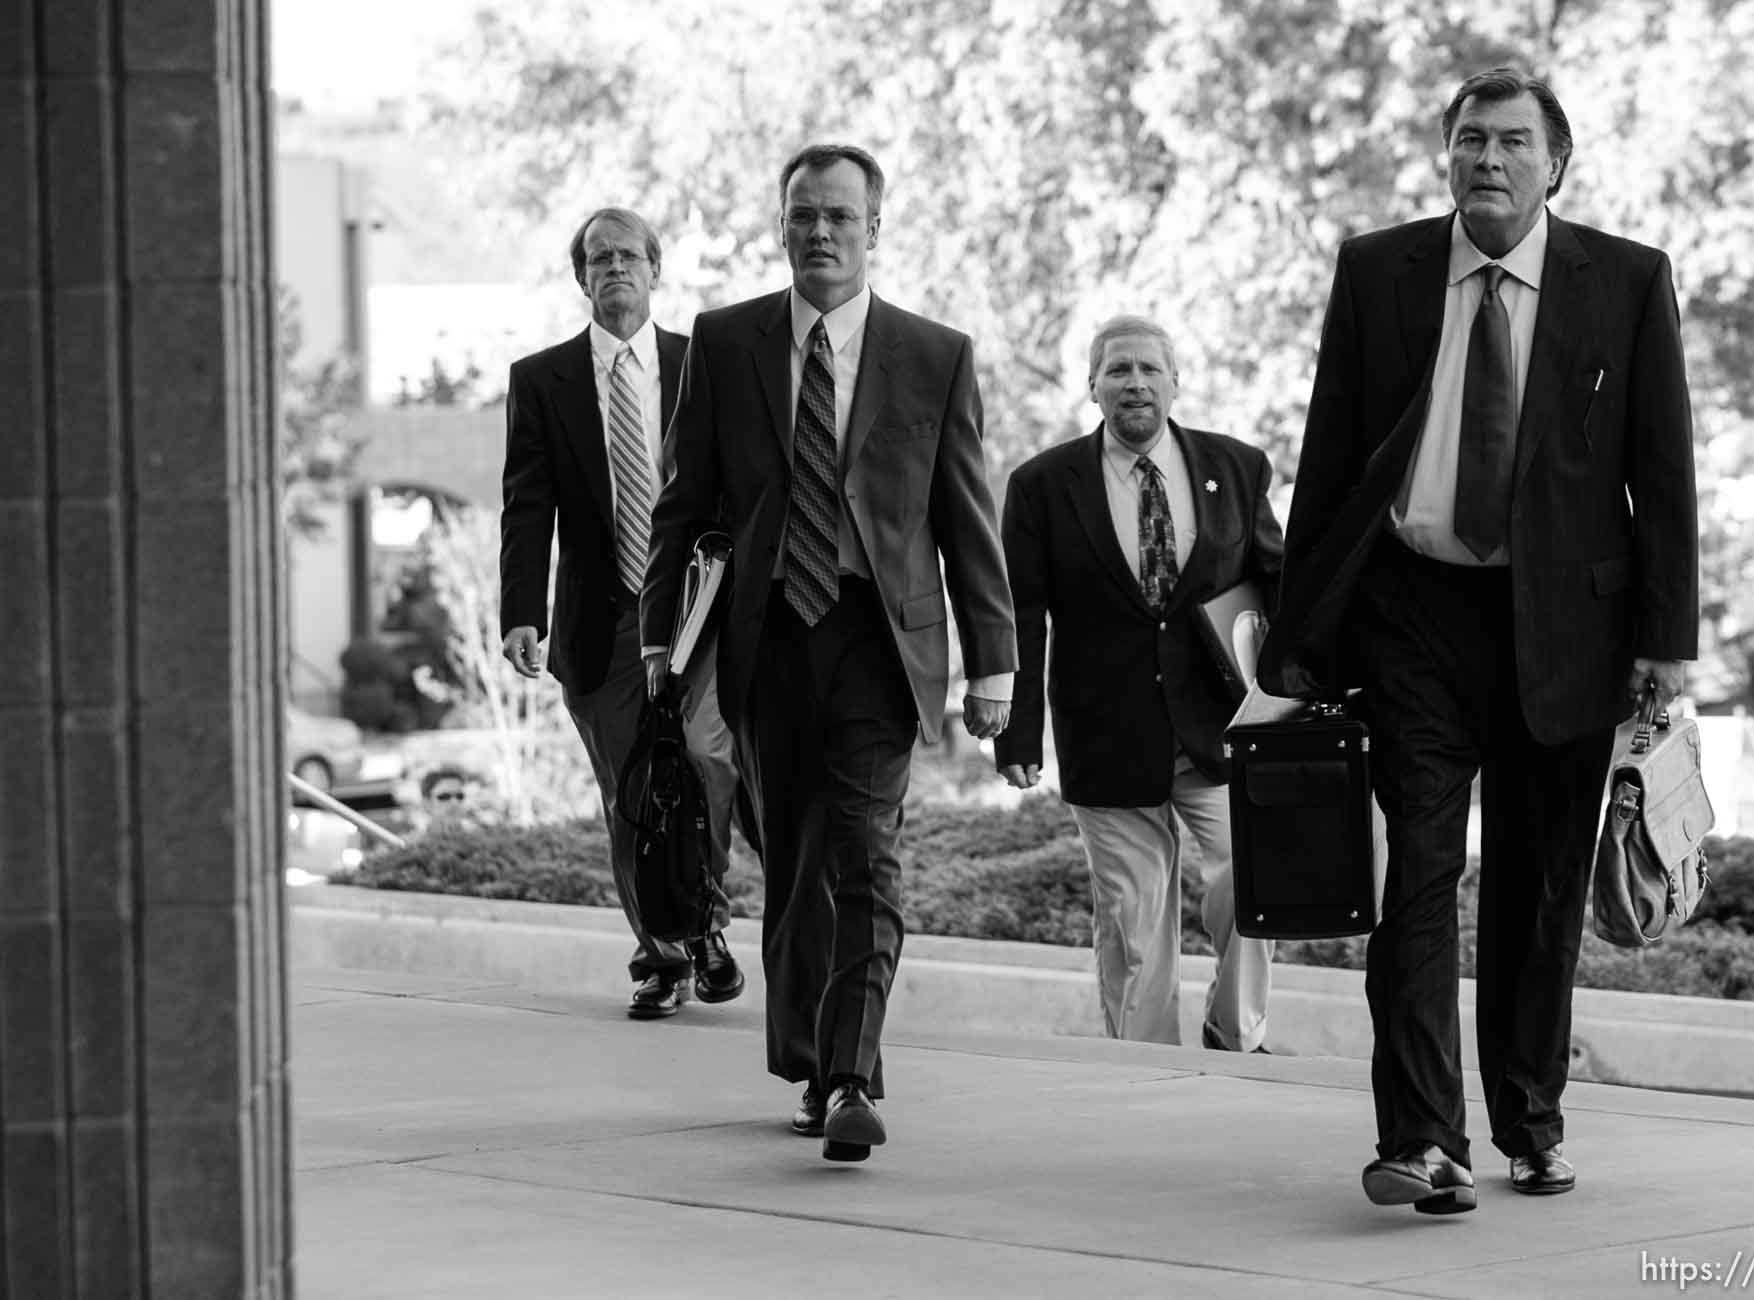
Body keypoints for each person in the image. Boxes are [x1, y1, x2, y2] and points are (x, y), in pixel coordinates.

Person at [1255, 68, 1698, 1214]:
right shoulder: (1380, 271)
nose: (1486, 160)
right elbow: (1332, 453)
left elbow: (1665, 471)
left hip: (1571, 626)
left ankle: (1530, 1121)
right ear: (1444, 157)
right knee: (1418, 879)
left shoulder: (1629, 282)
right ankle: (1420, 1138)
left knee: (1541, 891)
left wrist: (1668, 640)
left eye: (1511, 142)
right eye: (1467, 141)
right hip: (1417, 617)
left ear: (1555, 162)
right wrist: (1303, 634)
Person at [641, 144, 1017, 1162]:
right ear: (781, 225)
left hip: (878, 640)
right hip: (765, 641)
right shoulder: (725, 343)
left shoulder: (934, 354)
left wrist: (996, 662)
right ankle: (808, 1056)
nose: (820, 232)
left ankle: (851, 1072)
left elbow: (966, 515)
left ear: (873, 229)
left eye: (840, 217)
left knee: (864, 854)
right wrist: (656, 643)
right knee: (797, 859)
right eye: (803, 214)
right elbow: (684, 502)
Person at [994, 316, 1281, 1052]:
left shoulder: (1238, 466)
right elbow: (1022, 615)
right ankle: (1145, 1065)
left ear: (1175, 382)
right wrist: (1018, 733)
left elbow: (1276, 585)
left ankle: (1234, 1035)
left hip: (1220, 728)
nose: (1135, 383)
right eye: (1118, 370)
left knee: (1255, 882)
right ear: (1092, 387)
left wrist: (1297, 699)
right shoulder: (1041, 486)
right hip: (1107, 732)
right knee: (1135, 916)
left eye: (1151, 369)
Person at [500, 206, 750, 1023]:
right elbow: (526, 506)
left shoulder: (700, 362)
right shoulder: (542, 380)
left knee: (708, 762)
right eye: (599, 259)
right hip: (598, 623)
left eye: (629, 256)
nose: (615, 269)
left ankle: (704, 920)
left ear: (655, 270)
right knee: (632, 793)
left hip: (696, 611)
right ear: (581, 278)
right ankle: (664, 956)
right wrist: (519, 612)